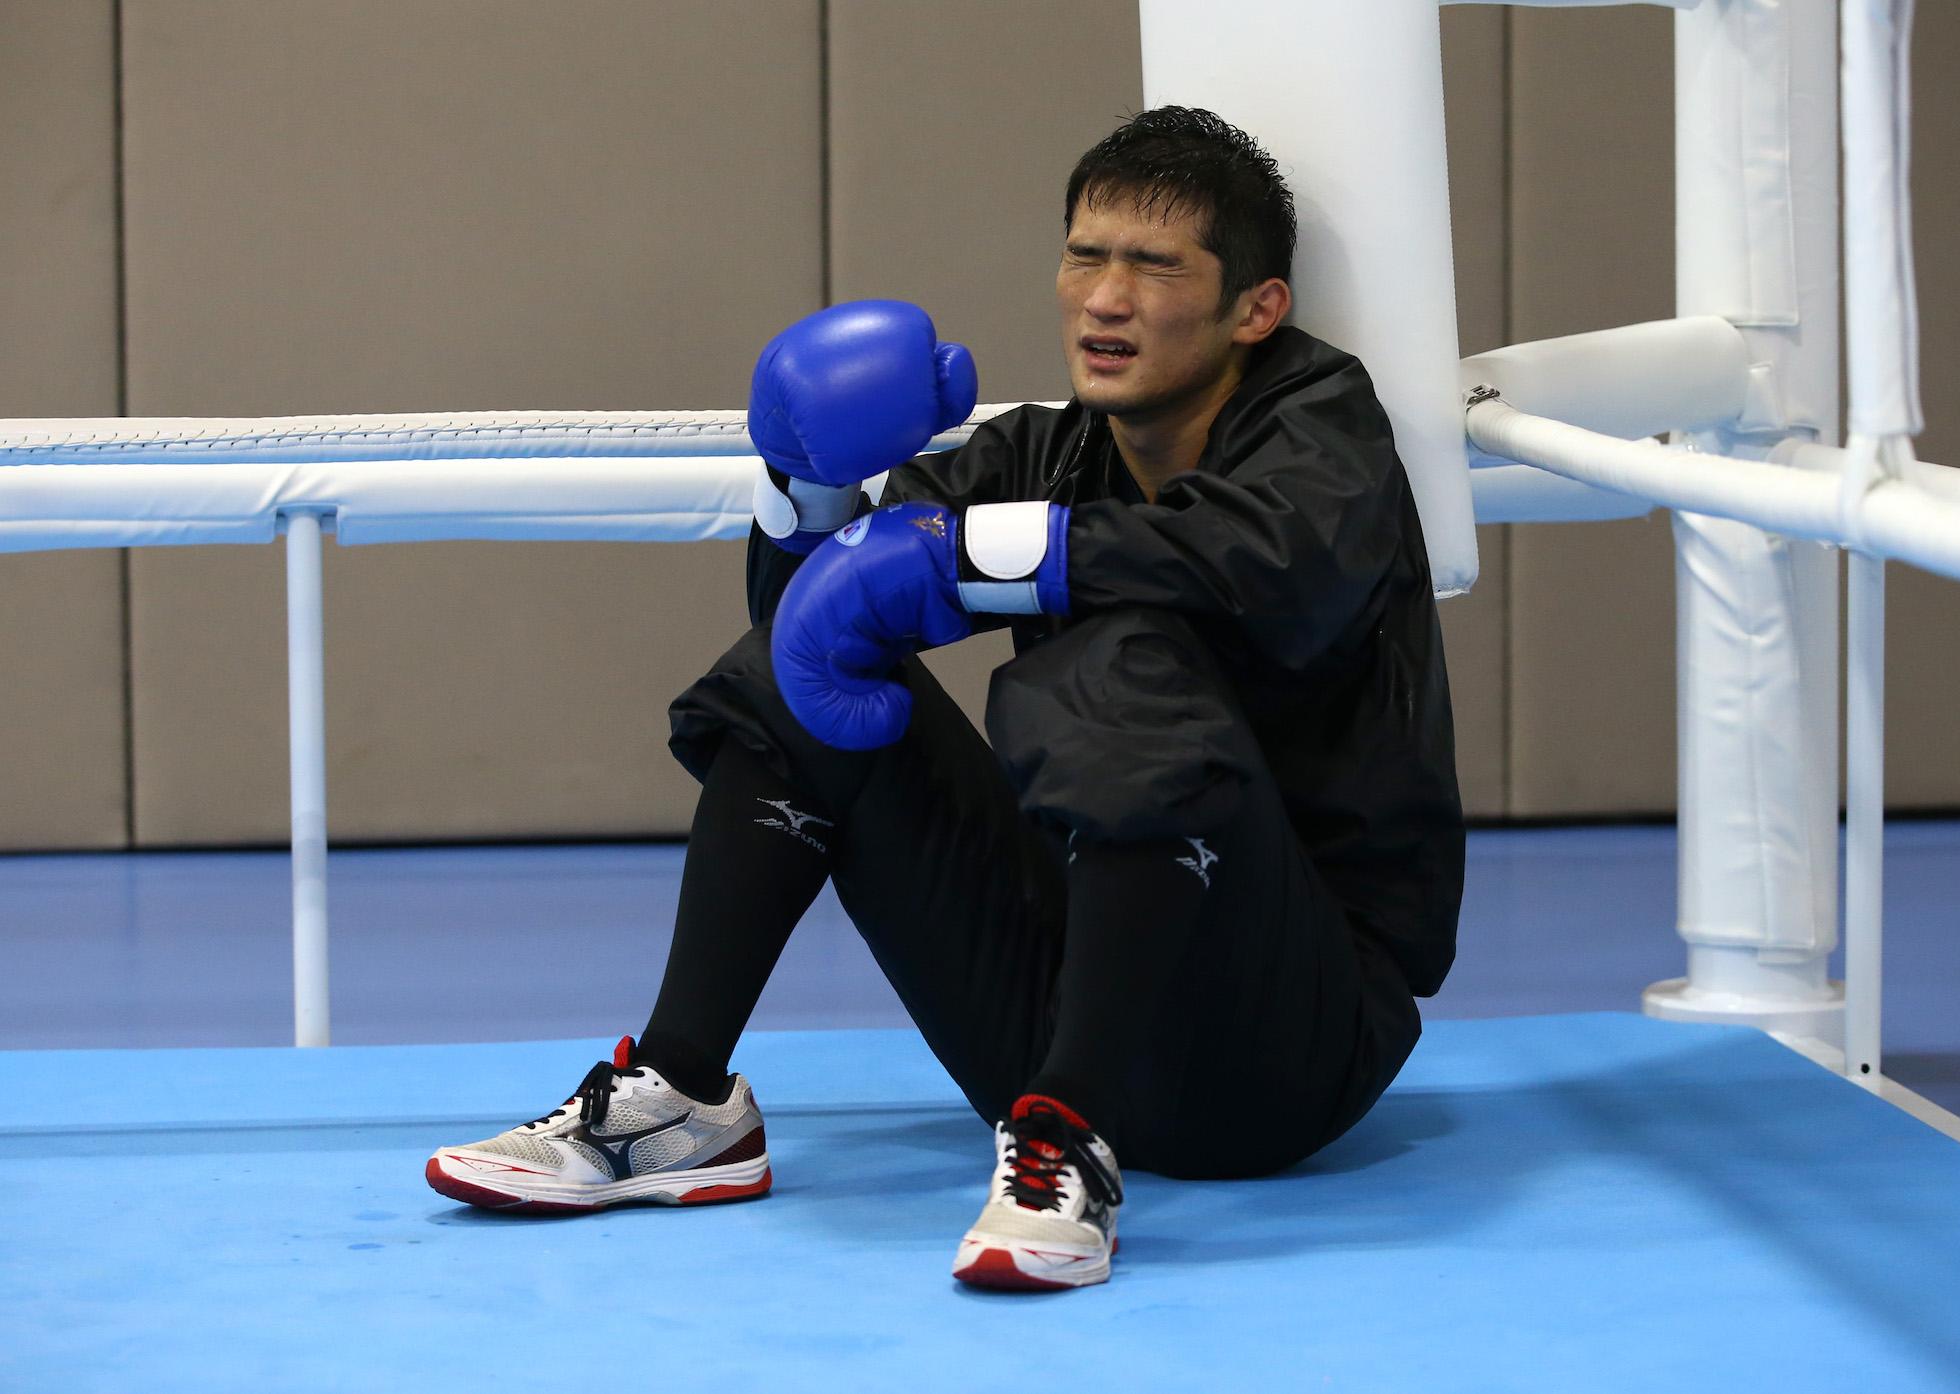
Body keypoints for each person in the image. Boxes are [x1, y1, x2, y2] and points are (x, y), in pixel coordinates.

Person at [425, 106, 1463, 1291]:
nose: (1103, 298)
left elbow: (1261, 560)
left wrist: (974, 552)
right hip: (1070, 995)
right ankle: (679, 1100)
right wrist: (804, 487)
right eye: (1085, 253)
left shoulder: (1320, 426)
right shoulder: (1044, 449)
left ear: (1254, 310)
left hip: (1289, 1041)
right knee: (798, 678)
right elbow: (807, 626)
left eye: (1153, 264)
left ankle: (1070, 1138)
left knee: (1112, 657)